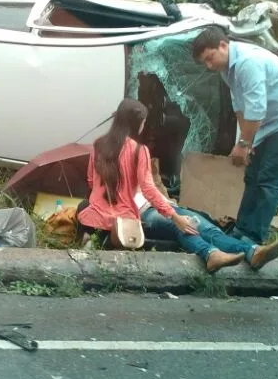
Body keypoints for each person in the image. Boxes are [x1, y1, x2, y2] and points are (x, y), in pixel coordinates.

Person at [77, 99, 246, 273]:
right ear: (137, 124)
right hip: (125, 223)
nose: (144, 127)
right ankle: (230, 251)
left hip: (97, 219)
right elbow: (149, 190)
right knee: (183, 225)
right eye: (143, 123)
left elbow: (91, 180)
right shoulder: (138, 150)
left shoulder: (98, 144)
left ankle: (222, 252)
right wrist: (173, 215)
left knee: (185, 224)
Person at [191, 26, 278, 246]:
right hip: (270, 122)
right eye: (205, 63)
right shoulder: (227, 69)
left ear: (223, 45)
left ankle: (254, 238)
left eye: (210, 59)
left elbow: (257, 109)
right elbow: (240, 107)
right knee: (252, 175)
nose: (209, 66)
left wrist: (244, 143)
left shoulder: (247, 62)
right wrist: (245, 144)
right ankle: (242, 230)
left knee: (268, 180)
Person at [133, 159, 278, 271]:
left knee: (205, 227)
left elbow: (152, 189)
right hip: (145, 212)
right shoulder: (121, 162)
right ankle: (211, 253)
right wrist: (175, 216)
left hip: (165, 206)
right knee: (183, 226)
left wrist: (172, 208)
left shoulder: (137, 157)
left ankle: (252, 252)